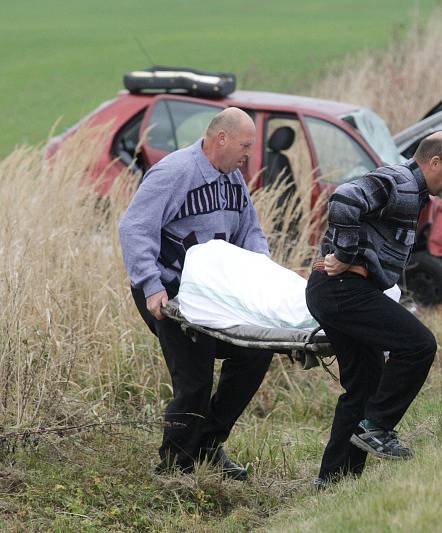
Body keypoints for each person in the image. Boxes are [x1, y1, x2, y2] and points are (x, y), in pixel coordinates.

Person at [119, 107, 273, 481]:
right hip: (169, 291)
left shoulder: (233, 179)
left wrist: (264, 270)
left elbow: (250, 232)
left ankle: (206, 444)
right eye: (245, 145)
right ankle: (174, 467)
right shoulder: (175, 173)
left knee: (256, 351)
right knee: (196, 377)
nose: (248, 154)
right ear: (221, 138)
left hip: (213, 293)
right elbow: (134, 228)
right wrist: (152, 287)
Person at [305, 131, 442, 486]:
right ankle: (377, 428)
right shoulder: (402, 183)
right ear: (433, 163)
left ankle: (335, 482)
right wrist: (345, 254)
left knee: (364, 384)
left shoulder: (412, 189)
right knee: (419, 345)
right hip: (342, 290)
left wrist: (355, 258)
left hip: (336, 290)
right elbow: (344, 199)